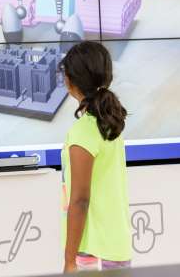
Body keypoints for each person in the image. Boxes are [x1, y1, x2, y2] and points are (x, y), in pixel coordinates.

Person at [59, 42, 132, 272]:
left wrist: (69, 260)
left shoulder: (83, 131)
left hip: (93, 251)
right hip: (116, 247)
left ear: (70, 81)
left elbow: (80, 200)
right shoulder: (110, 125)